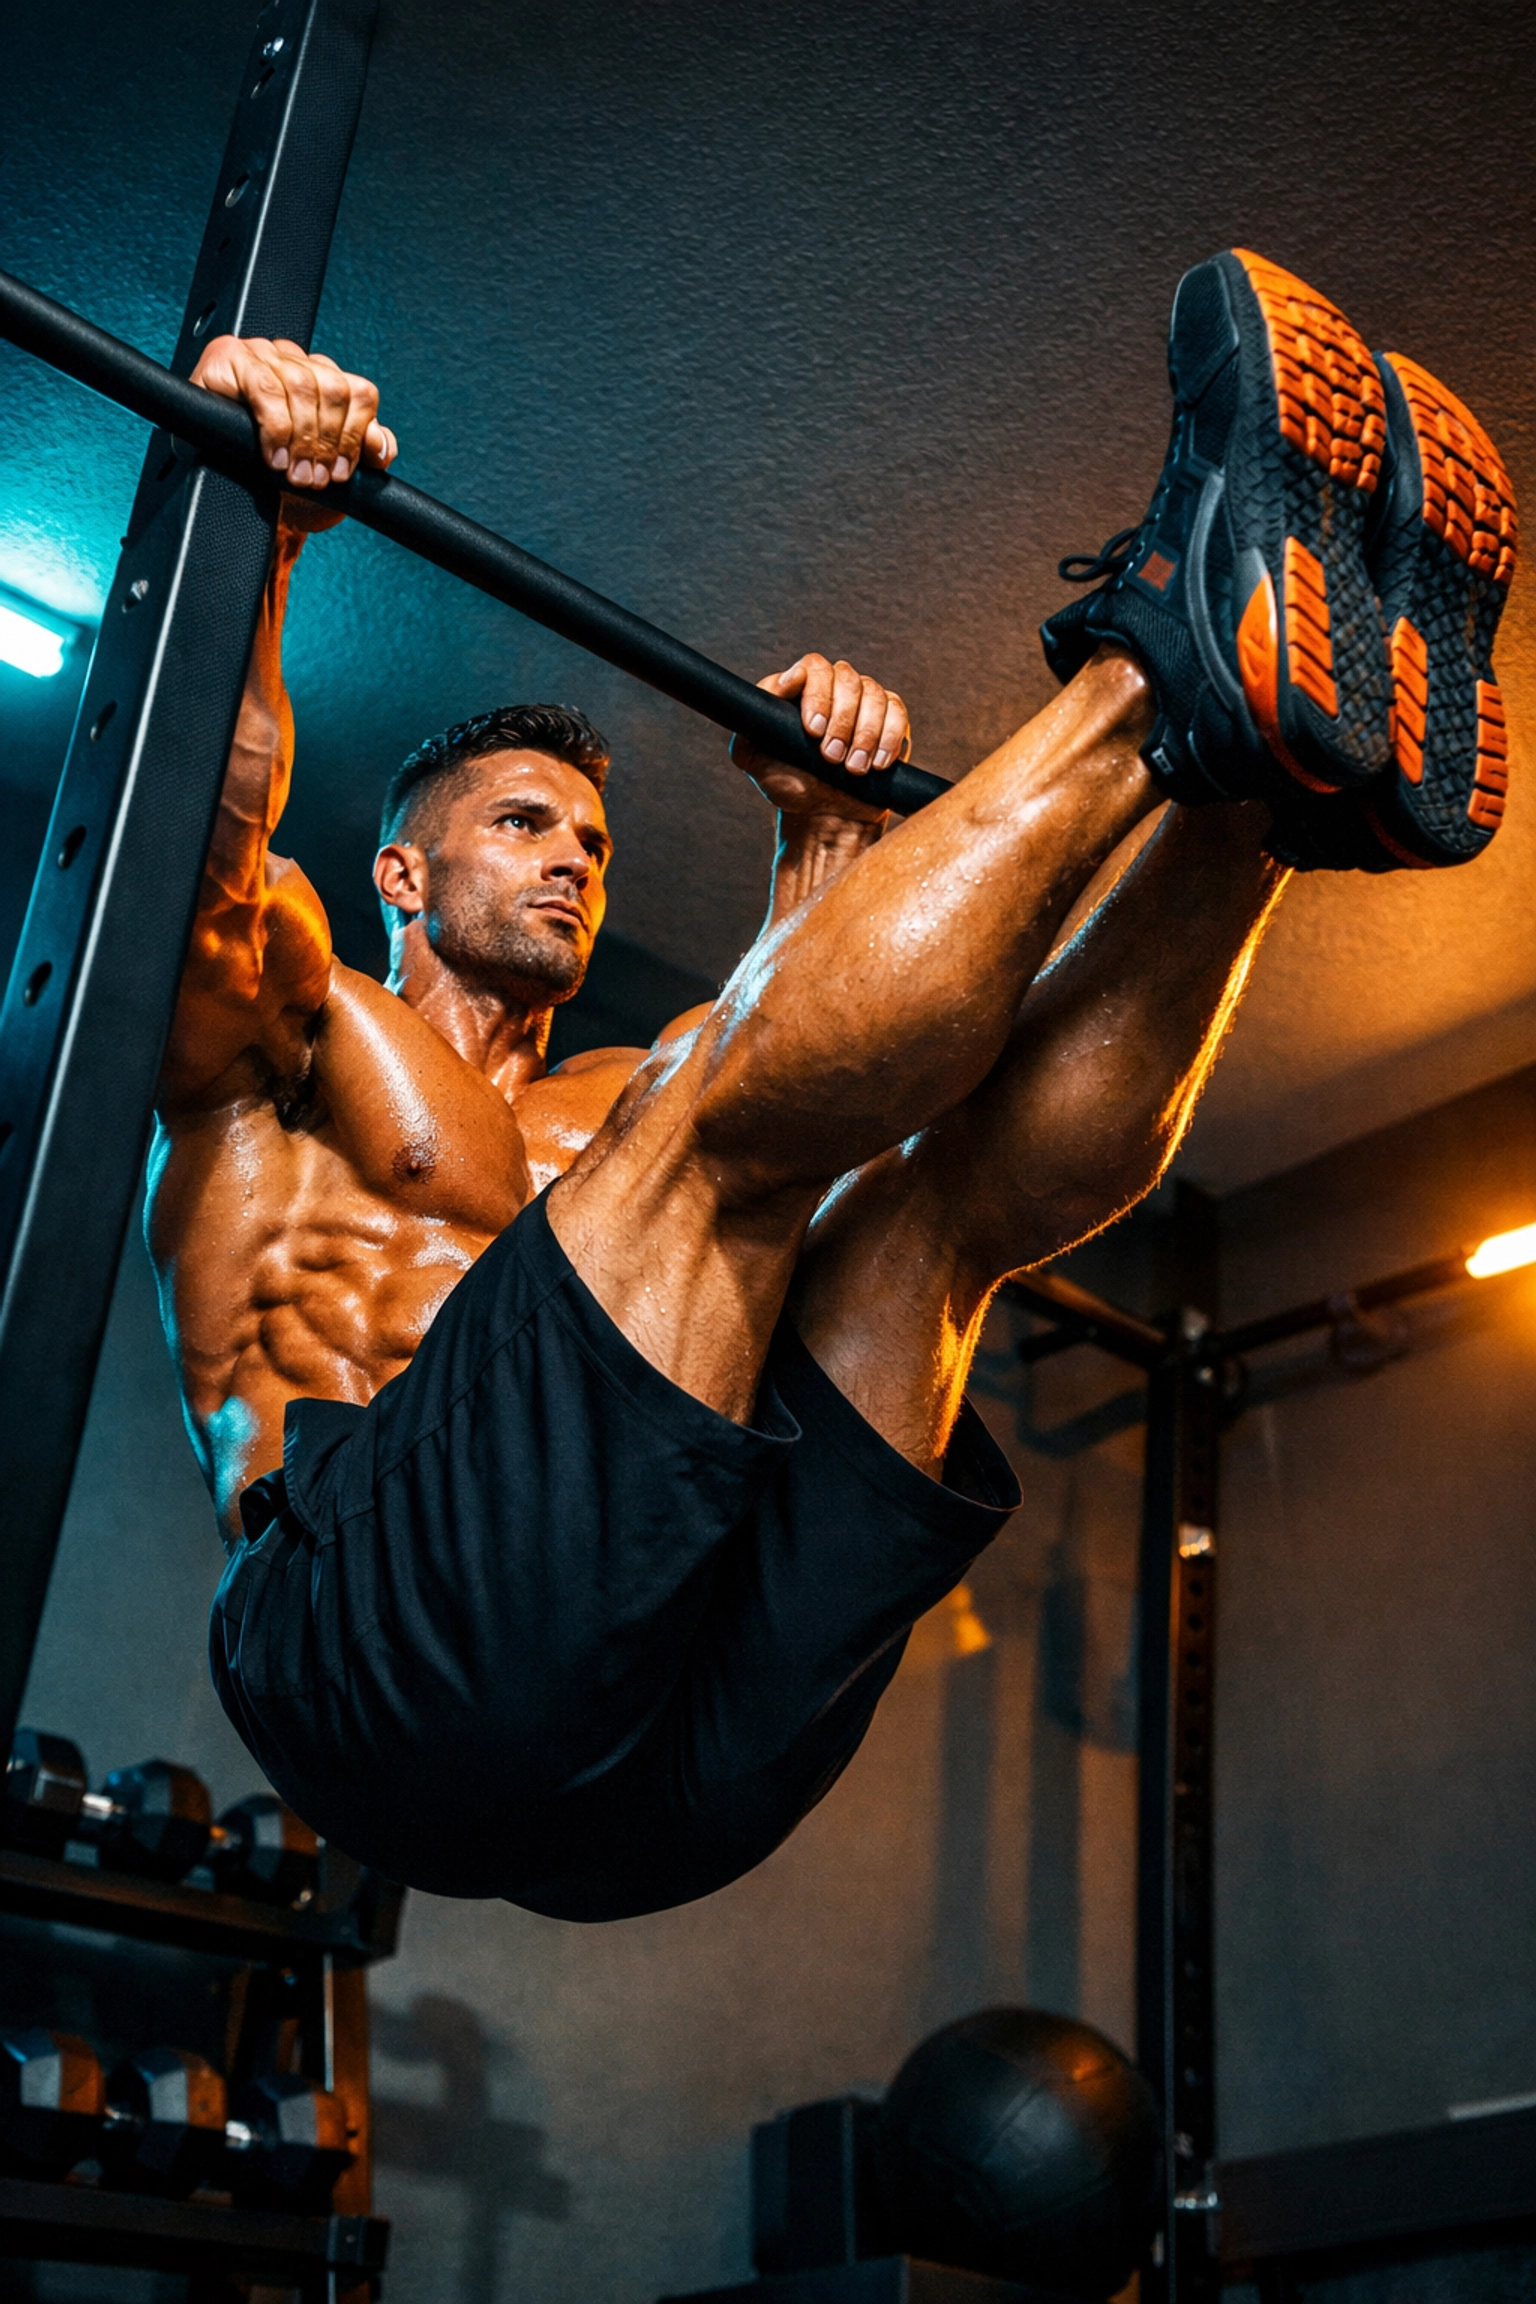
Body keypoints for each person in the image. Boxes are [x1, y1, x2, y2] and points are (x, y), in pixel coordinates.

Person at [151, 248, 1515, 1917]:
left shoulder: (632, 1100)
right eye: (523, 824)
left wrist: (826, 837)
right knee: (704, 1133)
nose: (575, 856)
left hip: (664, 1780)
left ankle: (1258, 811)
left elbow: (801, 1089)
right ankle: (1163, 658)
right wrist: (253, 533)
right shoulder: (297, 1036)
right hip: (379, 1660)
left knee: (916, 1224)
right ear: (399, 875)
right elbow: (195, 849)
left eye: (593, 836)